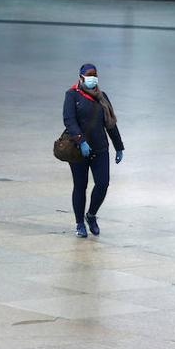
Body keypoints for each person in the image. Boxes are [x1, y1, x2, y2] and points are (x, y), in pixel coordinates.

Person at [63, 63, 124, 238]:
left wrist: (118, 146)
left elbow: (110, 124)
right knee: (80, 186)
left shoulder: (102, 97)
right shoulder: (71, 95)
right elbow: (69, 120)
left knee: (103, 184)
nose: (93, 77)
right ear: (81, 77)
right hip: (78, 150)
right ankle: (79, 223)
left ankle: (91, 215)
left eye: (95, 74)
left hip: (100, 148)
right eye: (89, 75)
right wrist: (81, 141)